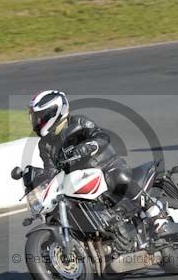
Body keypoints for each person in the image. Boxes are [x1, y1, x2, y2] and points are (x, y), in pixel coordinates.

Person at [28, 90, 163, 220]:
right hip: (78, 181)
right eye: (35, 118)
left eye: (40, 118)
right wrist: (36, 178)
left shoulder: (79, 122)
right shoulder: (44, 144)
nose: (37, 122)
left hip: (105, 165)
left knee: (117, 177)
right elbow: (50, 169)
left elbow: (101, 136)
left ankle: (153, 210)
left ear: (54, 113)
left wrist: (89, 146)